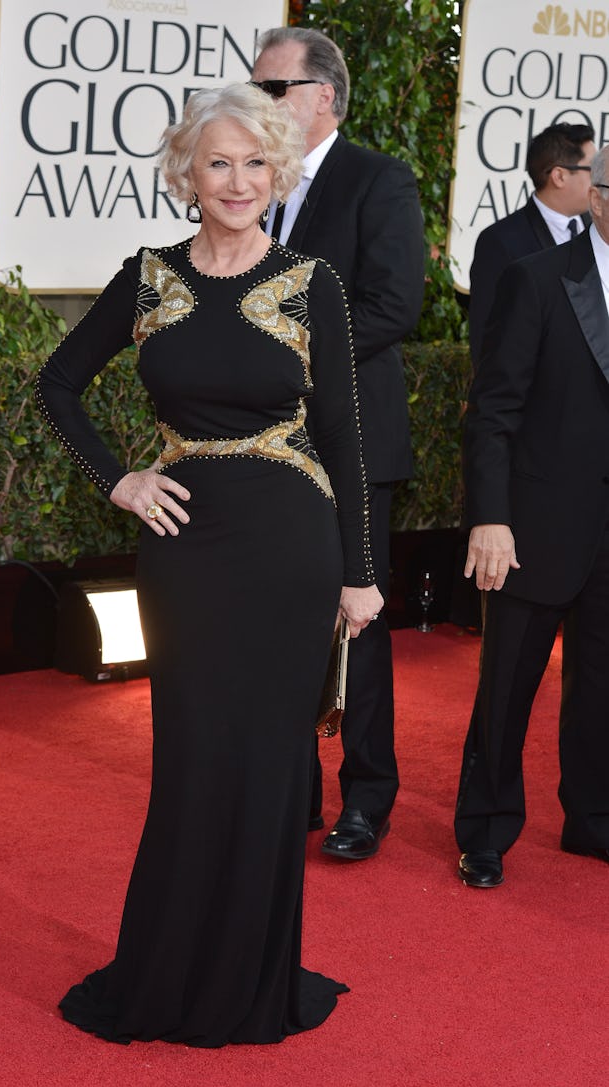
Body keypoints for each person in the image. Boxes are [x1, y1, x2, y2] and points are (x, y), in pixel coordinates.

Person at [36, 82, 383, 1046]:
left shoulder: (313, 282)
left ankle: (251, 978)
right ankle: (173, 969)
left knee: (272, 764)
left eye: (256, 164)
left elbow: (346, 440)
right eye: (218, 163)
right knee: (190, 758)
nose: (238, 181)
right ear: (187, 173)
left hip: (289, 551)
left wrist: (358, 573)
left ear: (278, 175)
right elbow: (58, 385)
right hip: (185, 550)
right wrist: (121, 482)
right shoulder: (147, 276)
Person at [251, 27, 425, 860]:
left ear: (323, 95)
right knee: (280, 614)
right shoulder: (255, 185)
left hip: (352, 434)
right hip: (264, 439)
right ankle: (295, 796)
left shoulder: (377, 180)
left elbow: (395, 305)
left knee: (359, 617)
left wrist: (285, 344)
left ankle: (369, 799)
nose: (261, 103)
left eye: (273, 88)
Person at [455, 145, 609, 888]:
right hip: (536, 523)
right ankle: (485, 830)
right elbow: (492, 411)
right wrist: (491, 515)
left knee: (604, 686)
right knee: (508, 684)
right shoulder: (537, 281)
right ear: (599, 197)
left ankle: (593, 819)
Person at [468, 122, 596, 368]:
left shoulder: (601, 230)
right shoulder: (500, 242)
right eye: (594, 170)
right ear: (559, 176)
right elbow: (488, 343)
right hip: (538, 400)